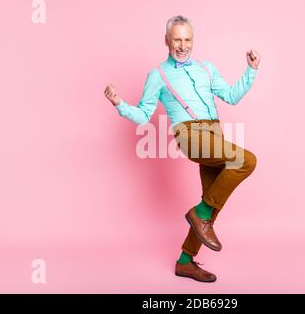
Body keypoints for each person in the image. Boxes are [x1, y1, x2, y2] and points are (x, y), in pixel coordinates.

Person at [104, 15, 260, 283]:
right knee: (246, 161)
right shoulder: (158, 75)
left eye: (187, 39)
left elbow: (232, 97)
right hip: (190, 134)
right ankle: (198, 214)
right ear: (167, 41)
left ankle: (185, 261)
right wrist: (119, 103)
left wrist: (251, 70)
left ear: (193, 40)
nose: (183, 45)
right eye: (177, 39)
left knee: (211, 207)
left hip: (215, 134)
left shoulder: (206, 69)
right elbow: (143, 115)